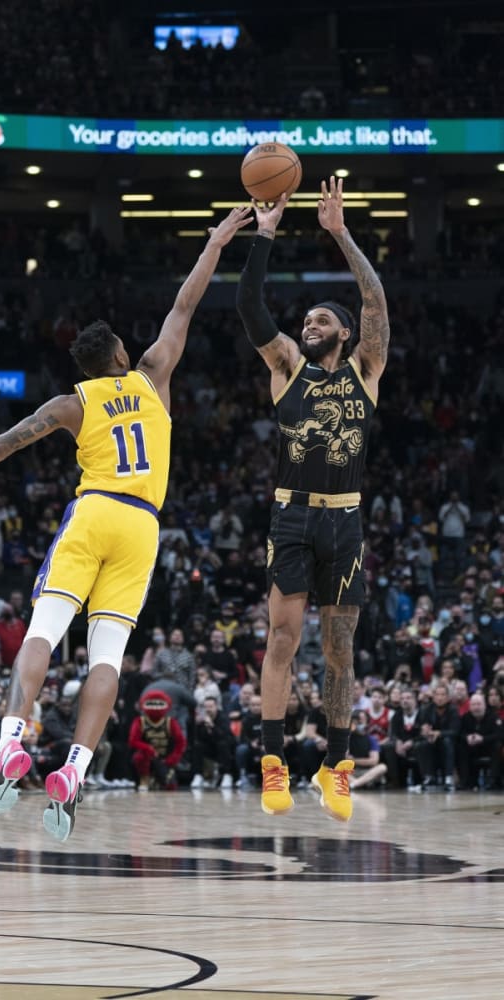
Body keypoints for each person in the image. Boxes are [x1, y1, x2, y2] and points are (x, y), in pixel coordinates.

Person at [0, 206, 252, 841]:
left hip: (93, 511)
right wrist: (217, 239)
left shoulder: (70, 403)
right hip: (142, 526)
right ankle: (76, 769)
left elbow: (0, 445)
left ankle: (9, 744)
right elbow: (185, 306)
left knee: (44, 632)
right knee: (105, 657)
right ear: (117, 352)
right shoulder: (154, 374)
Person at [236, 177, 390, 823]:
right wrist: (265, 235)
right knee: (281, 637)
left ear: (346, 334)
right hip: (293, 514)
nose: (309, 324)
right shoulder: (287, 370)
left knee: (339, 648)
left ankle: (337, 766)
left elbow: (376, 301)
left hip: (346, 520)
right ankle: (273, 763)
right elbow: (251, 309)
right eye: (307, 320)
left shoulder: (366, 370)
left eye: (322, 319)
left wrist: (340, 232)